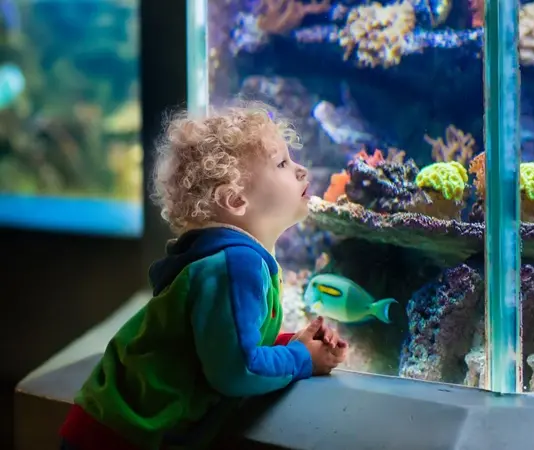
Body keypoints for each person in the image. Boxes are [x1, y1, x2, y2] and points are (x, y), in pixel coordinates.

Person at [58, 102, 348, 450]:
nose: (301, 170)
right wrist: (303, 359)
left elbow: (222, 343)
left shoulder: (231, 258)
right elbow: (237, 369)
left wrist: (292, 341)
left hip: (115, 424)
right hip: (123, 435)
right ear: (235, 198)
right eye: (283, 163)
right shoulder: (235, 264)